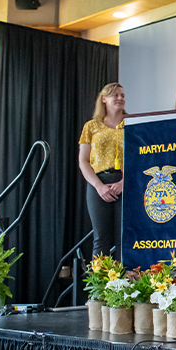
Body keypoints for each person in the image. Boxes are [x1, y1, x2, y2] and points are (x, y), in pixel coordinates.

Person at [78, 83, 126, 258]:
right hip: (98, 182)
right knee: (101, 239)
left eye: (122, 95)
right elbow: (83, 161)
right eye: (115, 95)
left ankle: (126, 283)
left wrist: (124, 183)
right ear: (104, 99)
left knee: (125, 237)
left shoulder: (132, 124)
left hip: (125, 182)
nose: (120, 98)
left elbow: (141, 157)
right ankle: (101, 283)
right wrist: (98, 186)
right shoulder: (91, 126)